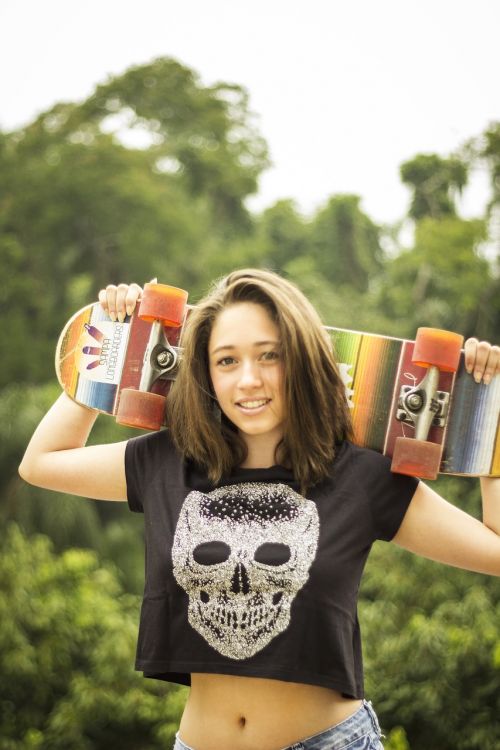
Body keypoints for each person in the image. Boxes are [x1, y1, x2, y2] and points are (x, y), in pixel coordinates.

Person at [19, 269, 500, 750]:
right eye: (226, 361)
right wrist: (113, 345)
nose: (248, 380)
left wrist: (489, 428)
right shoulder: (167, 463)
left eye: (270, 356)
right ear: (206, 373)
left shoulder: (362, 478)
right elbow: (42, 463)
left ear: (303, 360)